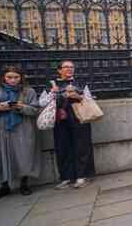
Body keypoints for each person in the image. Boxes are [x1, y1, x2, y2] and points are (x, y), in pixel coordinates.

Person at [41, 60, 95, 189]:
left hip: (79, 117)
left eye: (71, 67)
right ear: (59, 70)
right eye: (66, 67)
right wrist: (53, 92)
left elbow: (90, 99)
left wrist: (79, 96)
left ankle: (82, 176)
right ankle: (66, 177)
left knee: (82, 146)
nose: (69, 69)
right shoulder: (51, 85)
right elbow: (42, 103)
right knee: (62, 147)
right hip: (60, 120)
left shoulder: (81, 83)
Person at [0, 66, 41, 197]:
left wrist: (22, 107)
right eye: (9, 77)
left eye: (16, 77)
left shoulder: (28, 91)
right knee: (3, 156)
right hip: (2, 128)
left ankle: (24, 184)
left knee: (24, 156)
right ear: (3, 78)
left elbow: (35, 110)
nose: (13, 80)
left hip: (23, 128)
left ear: (21, 77)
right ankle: (4, 185)